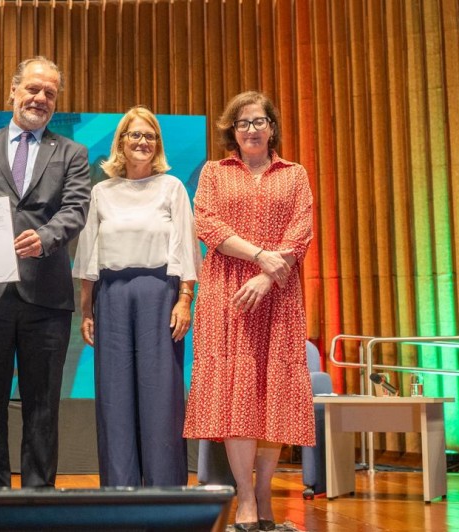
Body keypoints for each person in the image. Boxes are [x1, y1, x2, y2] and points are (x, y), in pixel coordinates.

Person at [0, 56, 91, 488]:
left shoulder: (73, 153)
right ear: (13, 91)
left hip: (47, 300)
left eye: (49, 93)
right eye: (33, 89)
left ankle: (39, 498)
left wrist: (46, 237)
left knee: (43, 407)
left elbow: (76, 208)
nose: (40, 98)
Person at [183, 91, 314, 532]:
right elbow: (208, 223)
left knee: (272, 392)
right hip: (228, 295)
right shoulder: (214, 173)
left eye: (259, 121)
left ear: (272, 127)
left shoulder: (295, 175)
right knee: (239, 393)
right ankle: (244, 499)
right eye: (243, 123)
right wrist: (260, 257)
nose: (252, 129)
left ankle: (264, 494)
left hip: (278, 294)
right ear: (232, 132)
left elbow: (301, 231)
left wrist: (268, 273)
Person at [72, 106, 201, 487]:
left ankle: (164, 491)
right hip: (110, 297)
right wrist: (86, 310)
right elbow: (89, 254)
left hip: (159, 296)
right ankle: (119, 491)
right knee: (115, 398)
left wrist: (184, 300)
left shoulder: (172, 188)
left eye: (150, 136)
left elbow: (185, 247)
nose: (143, 142)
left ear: (157, 144)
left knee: (161, 397)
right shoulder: (102, 191)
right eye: (135, 135)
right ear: (121, 142)